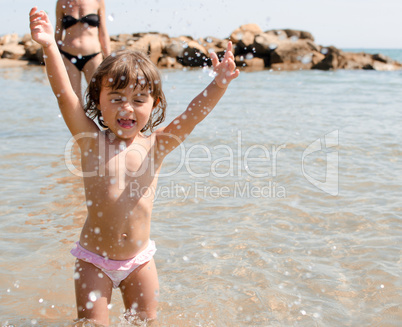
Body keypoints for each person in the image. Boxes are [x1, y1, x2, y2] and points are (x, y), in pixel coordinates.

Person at [30, 6, 239, 326]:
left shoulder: (156, 145)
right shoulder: (89, 139)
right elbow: (64, 96)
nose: (127, 108)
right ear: (97, 98)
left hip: (140, 262)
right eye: (115, 98)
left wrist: (220, 84)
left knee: (146, 322)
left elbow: (193, 114)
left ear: (154, 104)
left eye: (139, 99)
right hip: (93, 260)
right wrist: (48, 46)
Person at [55, 0, 111, 101]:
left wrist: (109, 59)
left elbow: (103, 32)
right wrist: (53, 58)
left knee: (99, 96)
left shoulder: (98, 1)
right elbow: (58, 32)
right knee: (72, 100)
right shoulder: (61, 2)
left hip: (93, 56)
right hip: (68, 56)